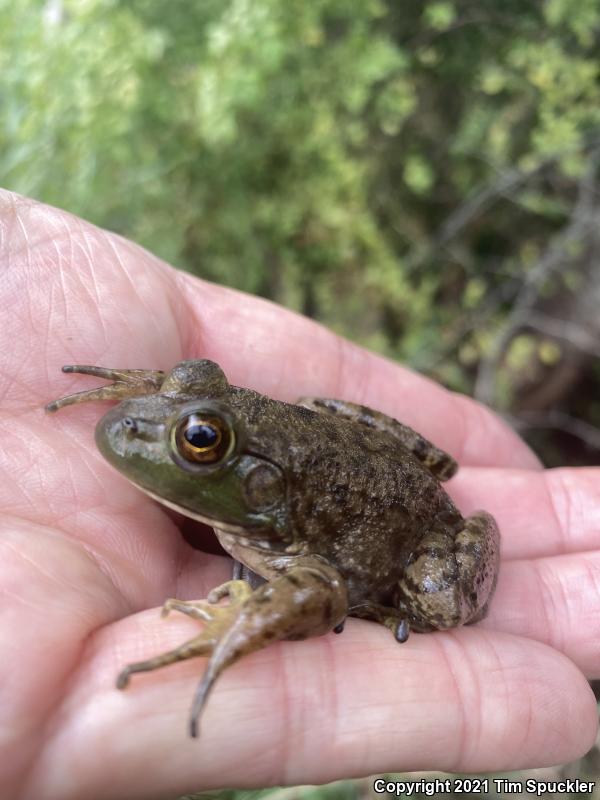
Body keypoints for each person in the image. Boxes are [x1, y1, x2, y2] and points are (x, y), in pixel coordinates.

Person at [0, 189, 597, 799]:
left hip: (419, 538)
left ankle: (398, 597)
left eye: (199, 437)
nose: (133, 421)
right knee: (306, 410)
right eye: (186, 396)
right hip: (350, 460)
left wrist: (240, 620)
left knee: (438, 604)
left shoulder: (286, 536)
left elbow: (322, 588)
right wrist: (167, 389)